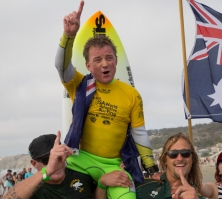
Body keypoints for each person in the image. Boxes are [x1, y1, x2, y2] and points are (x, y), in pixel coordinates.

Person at [55, 1, 158, 198]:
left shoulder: (131, 94)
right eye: (97, 60)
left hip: (114, 164)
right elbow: (60, 66)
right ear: (88, 65)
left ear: (116, 61)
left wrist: (152, 169)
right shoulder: (79, 84)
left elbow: (140, 134)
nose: (105, 64)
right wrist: (68, 36)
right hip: (80, 160)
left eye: (109, 58)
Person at [3, 131, 96, 199]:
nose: (55, 163)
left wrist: (102, 185)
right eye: (47, 160)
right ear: (34, 163)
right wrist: (47, 171)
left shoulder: (82, 174)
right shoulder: (31, 189)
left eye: (58, 157)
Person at [126, 133, 200, 199]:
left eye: (185, 153)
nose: (180, 158)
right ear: (165, 160)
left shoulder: (196, 196)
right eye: (173, 154)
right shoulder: (140, 187)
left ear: (192, 158)